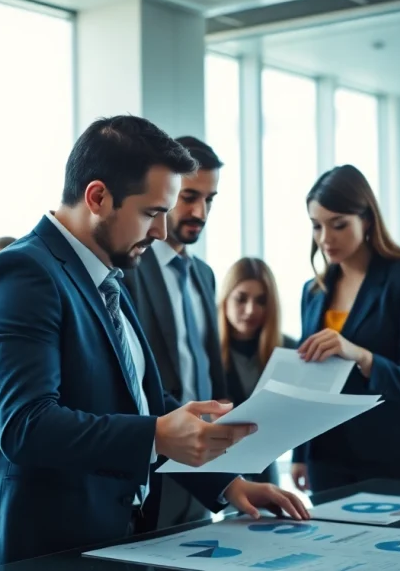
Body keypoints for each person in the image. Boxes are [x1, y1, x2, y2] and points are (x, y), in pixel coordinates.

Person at [0, 115, 308, 571]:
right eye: (152, 213)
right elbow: (26, 426)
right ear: (97, 197)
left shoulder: (108, 278)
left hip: (110, 540)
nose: (160, 232)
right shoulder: (21, 274)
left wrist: (230, 485)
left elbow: (144, 401)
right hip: (35, 547)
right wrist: (156, 435)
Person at [291, 164, 400, 494]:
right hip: (326, 457)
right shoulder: (313, 292)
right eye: (316, 226)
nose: (326, 238)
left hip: (391, 454)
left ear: (367, 219)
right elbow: (308, 379)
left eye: (338, 225)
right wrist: (301, 452)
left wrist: (360, 355)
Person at [121, 135, 227, 530]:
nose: (200, 211)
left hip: (207, 458)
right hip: (155, 457)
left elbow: (211, 369)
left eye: (210, 199)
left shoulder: (204, 275)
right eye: (189, 196)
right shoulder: (129, 268)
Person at [217, 257, 296, 486]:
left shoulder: (289, 351)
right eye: (241, 299)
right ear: (225, 300)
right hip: (216, 468)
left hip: (265, 468)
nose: (251, 310)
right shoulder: (204, 352)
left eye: (261, 301)